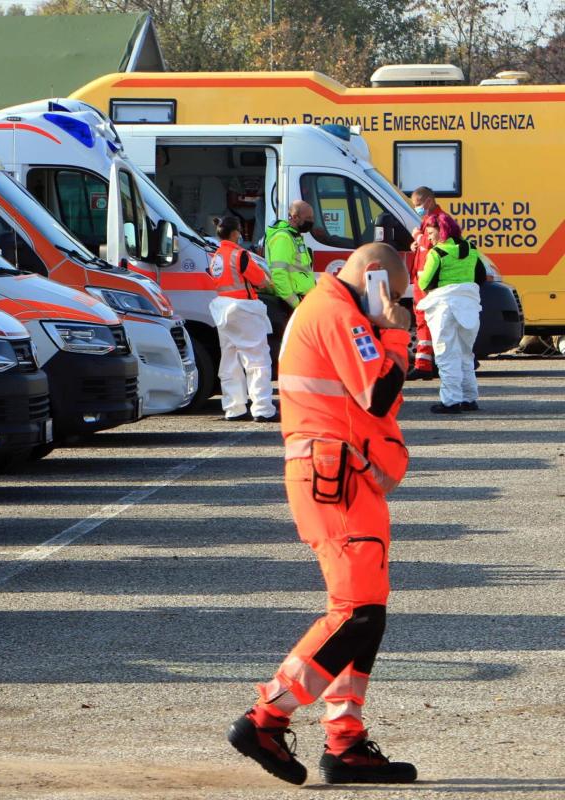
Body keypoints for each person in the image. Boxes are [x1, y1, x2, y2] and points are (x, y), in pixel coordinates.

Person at [227, 242, 418, 786]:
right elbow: (378, 394)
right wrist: (396, 331)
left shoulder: (333, 308)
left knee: (365, 617)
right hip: (335, 478)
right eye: (392, 293)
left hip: (344, 477)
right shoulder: (337, 310)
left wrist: (384, 329)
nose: (395, 305)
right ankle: (267, 716)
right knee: (357, 614)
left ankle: (346, 742)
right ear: (376, 279)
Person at [207, 216, 277, 422]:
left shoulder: (216, 256)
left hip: (222, 309)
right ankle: (263, 409)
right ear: (236, 233)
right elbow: (261, 281)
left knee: (230, 360)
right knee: (257, 359)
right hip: (244, 309)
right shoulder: (240, 255)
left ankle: (233, 408)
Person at [417, 216, 483, 414]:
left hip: (443, 307)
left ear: (441, 230)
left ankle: (451, 401)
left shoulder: (437, 253)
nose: (429, 237)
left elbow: (424, 283)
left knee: (446, 354)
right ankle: (469, 398)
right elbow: (480, 276)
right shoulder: (471, 248)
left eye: (431, 232)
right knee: (465, 353)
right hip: (469, 305)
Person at [408, 187, 460, 379]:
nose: (417, 208)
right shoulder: (427, 219)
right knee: (424, 322)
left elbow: (435, 244)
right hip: (422, 281)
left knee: (433, 322)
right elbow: (426, 247)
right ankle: (424, 363)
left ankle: (428, 364)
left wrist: (417, 237)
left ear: (429, 201)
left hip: (429, 282)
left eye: (418, 204)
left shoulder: (440, 219)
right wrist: (416, 245)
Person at [264, 201, 316, 309]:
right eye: (308, 218)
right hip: (293, 304)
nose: (312, 221)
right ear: (295, 217)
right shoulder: (283, 238)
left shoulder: (294, 236)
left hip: (304, 300)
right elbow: (279, 274)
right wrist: (296, 304)